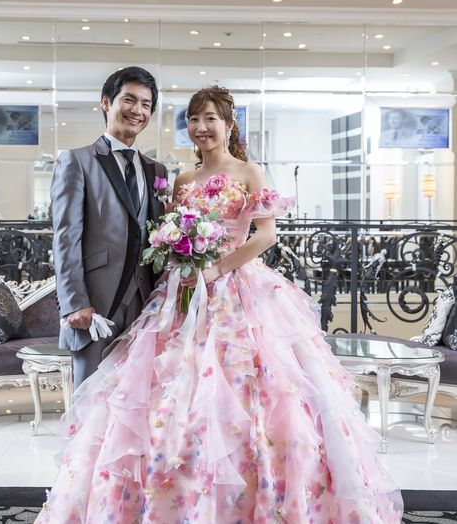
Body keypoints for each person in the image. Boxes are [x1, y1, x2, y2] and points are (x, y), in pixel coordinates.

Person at [37, 86, 403, 523]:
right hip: (182, 292)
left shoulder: (249, 172)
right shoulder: (180, 180)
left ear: (229, 125)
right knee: (170, 391)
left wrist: (218, 268)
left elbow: (266, 235)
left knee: (257, 391)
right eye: (194, 119)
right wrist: (181, 258)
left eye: (210, 118)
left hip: (239, 290)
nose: (201, 127)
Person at [51, 66, 167, 389]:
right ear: (106, 102)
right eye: (129, 99)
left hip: (145, 304)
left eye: (146, 104)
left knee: (138, 400)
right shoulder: (76, 162)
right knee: (90, 399)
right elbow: (65, 238)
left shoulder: (157, 171)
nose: (137, 110)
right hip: (96, 305)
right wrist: (75, 302)